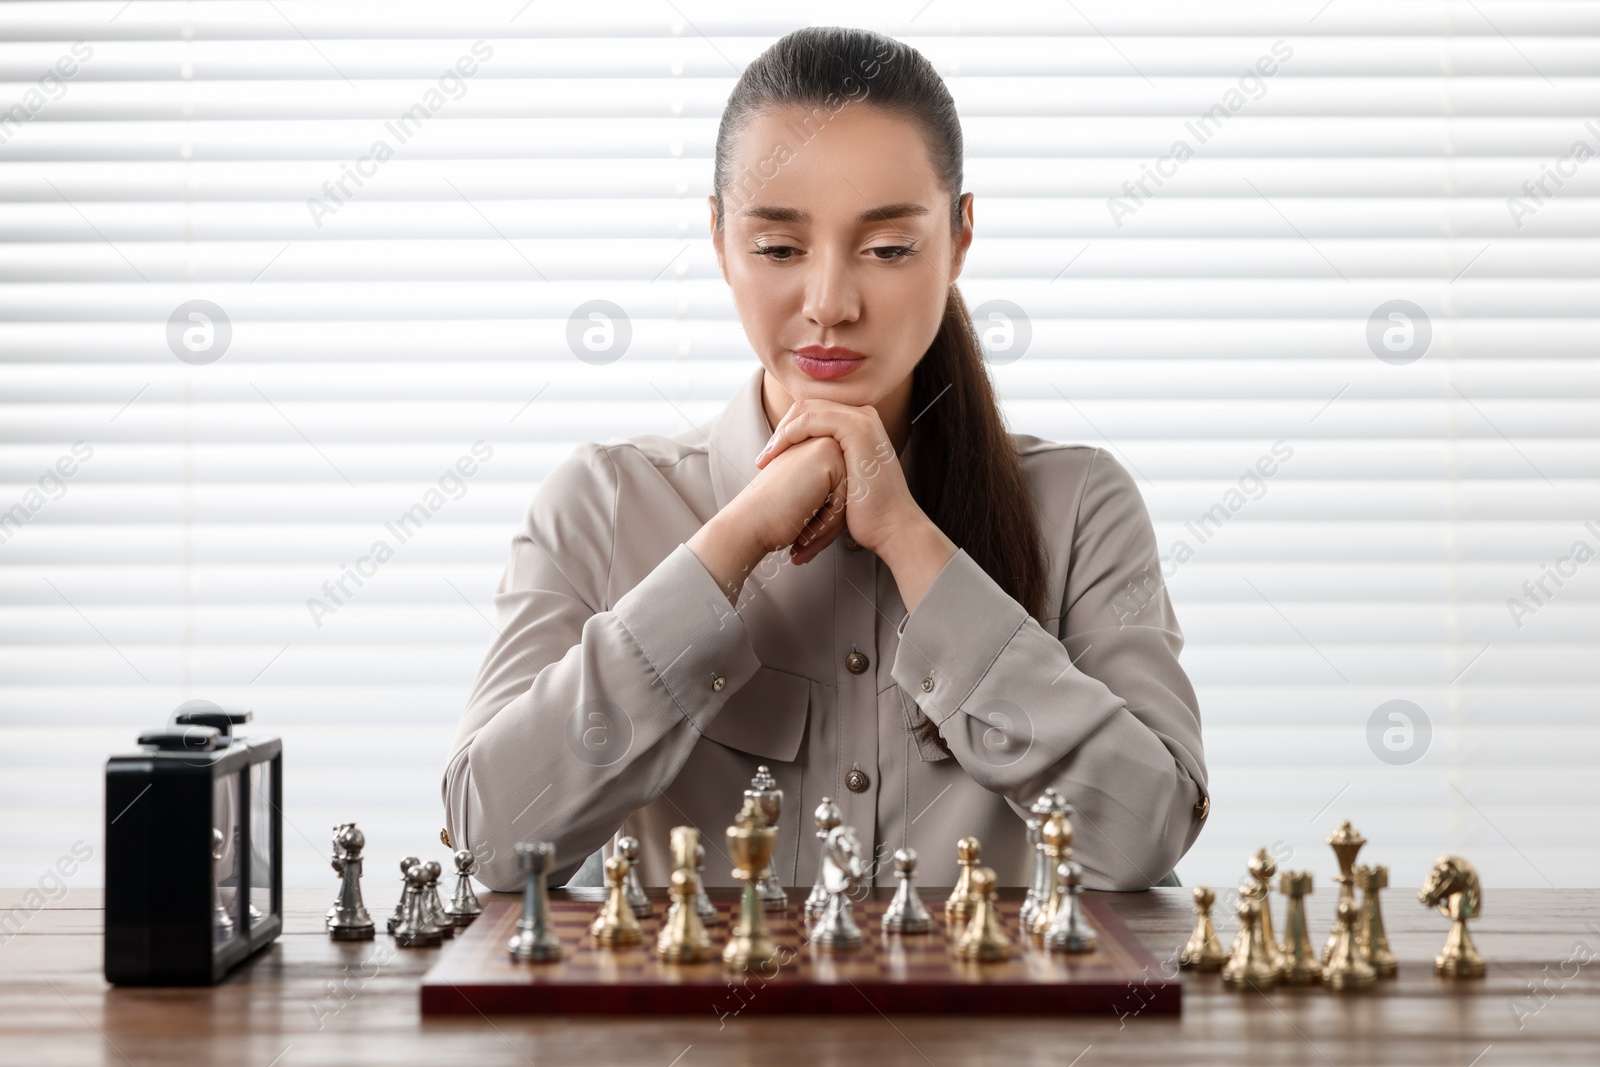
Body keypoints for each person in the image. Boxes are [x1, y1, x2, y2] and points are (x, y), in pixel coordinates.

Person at [442, 26, 1207, 894]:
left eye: (886, 249)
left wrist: (914, 543)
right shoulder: (603, 501)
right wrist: (730, 543)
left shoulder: (1079, 505)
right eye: (778, 248)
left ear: (959, 239)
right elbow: (489, 846)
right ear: (721, 239)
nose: (831, 304)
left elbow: (1146, 835)